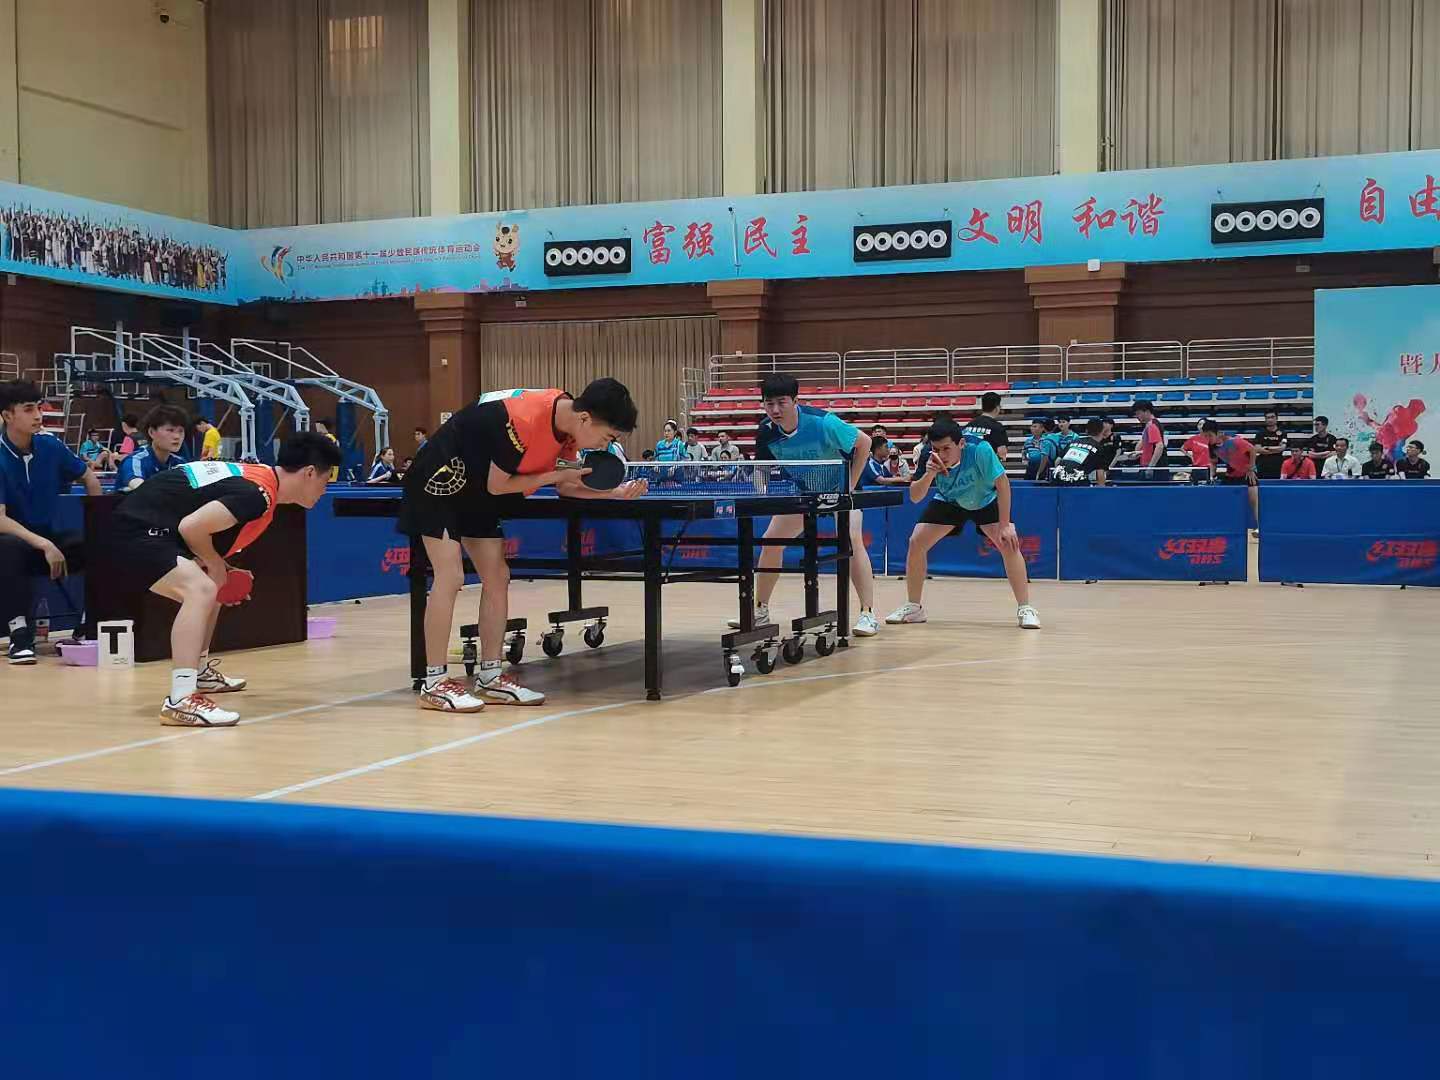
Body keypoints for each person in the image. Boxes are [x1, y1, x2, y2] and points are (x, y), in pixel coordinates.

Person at [400, 381, 646, 713]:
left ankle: (490, 677)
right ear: (586, 418)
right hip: (440, 476)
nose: (606, 445)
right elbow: (501, 485)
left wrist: (615, 493)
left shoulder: (569, 430)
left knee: (497, 576)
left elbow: (567, 487)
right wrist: (553, 475)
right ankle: (434, 683)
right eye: (608, 437)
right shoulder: (523, 420)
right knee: (451, 576)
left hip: (478, 488)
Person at [107, 433, 342, 726]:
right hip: (135, 533)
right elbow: (191, 527)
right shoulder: (257, 493)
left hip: (152, 529)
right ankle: (181, 700)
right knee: (202, 589)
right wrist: (216, 564)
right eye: (325, 480)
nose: (324, 490)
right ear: (309, 473)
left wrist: (218, 567)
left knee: (211, 586)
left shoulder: (258, 481)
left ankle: (199, 672)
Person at [727, 374, 878, 637]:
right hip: (804, 493)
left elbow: (864, 443)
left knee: (852, 540)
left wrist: (849, 486)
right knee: (771, 541)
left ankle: (867, 613)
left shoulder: (823, 423)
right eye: (769, 403)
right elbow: (762, 469)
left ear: (795, 400)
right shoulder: (766, 431)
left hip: (839, 490)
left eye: (781, 402)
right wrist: (759, 494)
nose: (775, 409)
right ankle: (760, 611)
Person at [886, 417, 1039, 630]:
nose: (941, 454)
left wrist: (1005, 524)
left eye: (946, 449)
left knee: (1009, 544)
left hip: (984, 498)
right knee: (916, 541)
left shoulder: (980, 450)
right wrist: (929, 474)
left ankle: (1025, 608)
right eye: (936, 449)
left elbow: (1003, 484)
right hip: (950, 500)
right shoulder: (929, 455)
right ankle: (914, 607)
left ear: (961, 444)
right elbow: (915, 496)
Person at [1, 380, 103, 664]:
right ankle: (20, 635)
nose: (38, 415)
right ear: (8, 415)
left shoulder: (50, 446)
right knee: (9, 548)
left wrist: (98, 524)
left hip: (46, 539)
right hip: (10, 543)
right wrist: (44, 544)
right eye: (28, 409)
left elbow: (89, 477)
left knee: (97, 545)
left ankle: (89, 624)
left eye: (39, 408)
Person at [115, 404, 190, 491]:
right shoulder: (135, 460)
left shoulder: (181, 462)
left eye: (181, 431)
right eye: (170, 430)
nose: (177, 436)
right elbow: (140, 488)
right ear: (151, 432)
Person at [1200, 421, 1260, 524]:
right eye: (1205, 436)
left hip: (1247, 472)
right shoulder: (1211, 446)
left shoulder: (1234, 440)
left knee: (1253, 498)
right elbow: (1213, 462)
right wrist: (1212, 475)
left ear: (1218, 433)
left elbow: (1252, 450)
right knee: (1221, 497)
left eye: (1210, 435)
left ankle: (1257, 524)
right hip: (1232, 472)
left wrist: (1251, 468)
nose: (1208, 439)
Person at [1048, 418, 1106, 485]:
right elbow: (1100, 475)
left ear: (1086, 431)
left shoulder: (1074, 442)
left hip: (1055, 480)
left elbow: (1057, 461)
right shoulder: (1099, 448)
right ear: (1102, 431)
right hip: (1076, 484)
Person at [963, 391, 1010, 460]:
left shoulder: (968, 425)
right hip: (987, 465)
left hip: (968, 464)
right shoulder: (997, 427)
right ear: (997, 408)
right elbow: (1002, 454)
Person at [1131, 400, 1167, 474]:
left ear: (1147, 411)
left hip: (1154, 467)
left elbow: (1159, 446)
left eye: (1138, 413)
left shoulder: (1151, 425)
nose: (1137, 416)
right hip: (1149, 465)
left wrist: (1150, 468)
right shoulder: (1149, 425)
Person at [1253, 409, 1287, 481]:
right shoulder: (1260, 433)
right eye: (1268, 418)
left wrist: (1267, 448)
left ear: (1276, 418)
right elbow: (1257, 449)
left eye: (1272, 417)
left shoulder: (1283, 433)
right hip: (1262, 464)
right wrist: (1275, 449)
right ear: (1265, 419)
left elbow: (1282, 448)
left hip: (1277, 463)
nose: (1270, 420)